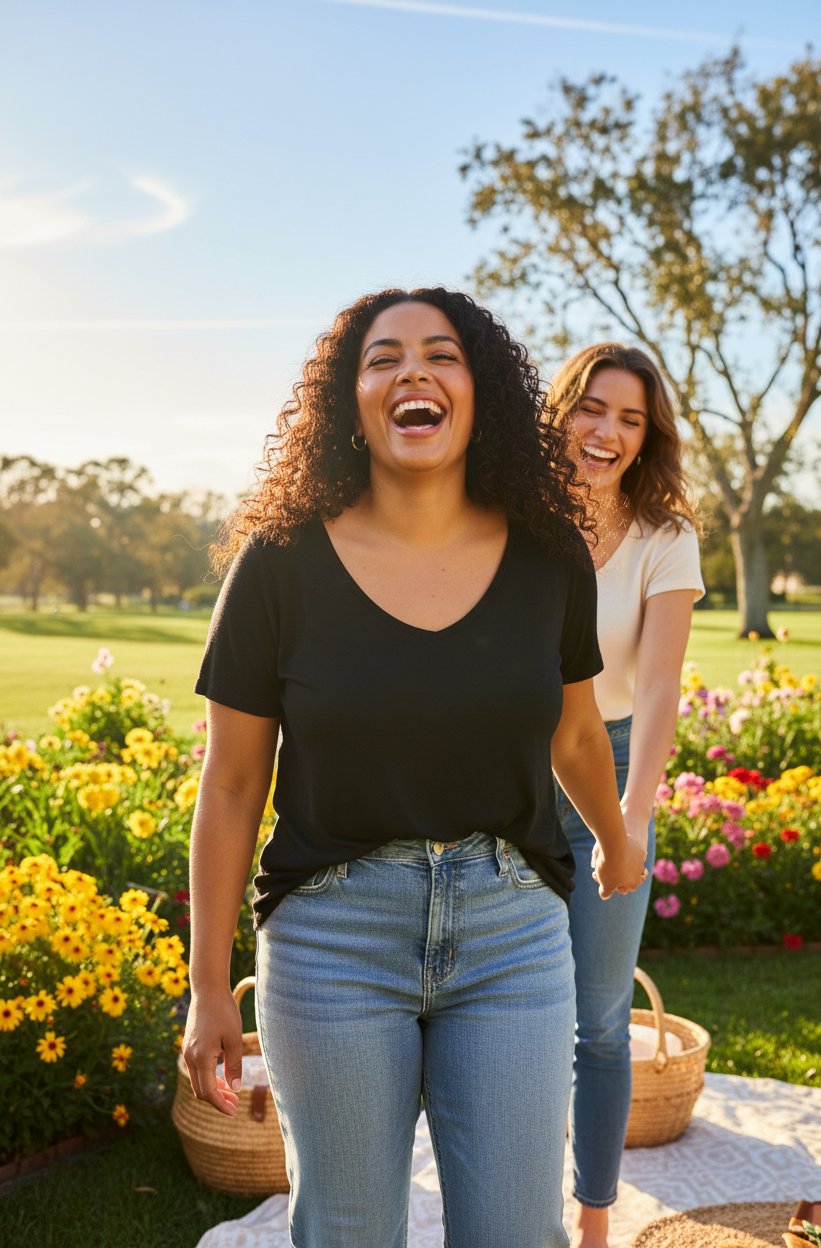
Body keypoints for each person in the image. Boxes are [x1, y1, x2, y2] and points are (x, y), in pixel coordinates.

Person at [182, 289, 647, 1248]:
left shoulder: (550, 559)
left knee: (518, 1233)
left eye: (441, 354)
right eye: (381, 359)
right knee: (348, 1231)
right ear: (350, 402)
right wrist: (205, 984)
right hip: (332, 939)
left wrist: (613, 835)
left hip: (513, 933)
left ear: (481, 395)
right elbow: (232, 784)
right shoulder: (278, 564)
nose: (412, 373)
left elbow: (573, 735)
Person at [550, 343, 705, 1248]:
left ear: (648, 439)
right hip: (506, 771)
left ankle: (592, 1217)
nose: (606, 432)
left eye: (630, 419)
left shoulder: (664, 535)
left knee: (600, 1021)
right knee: (499, 1005)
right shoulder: (514, 514)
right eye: (592, 409)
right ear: (562, 412)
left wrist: (631, 820)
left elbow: (656, 689)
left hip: (608, 769)